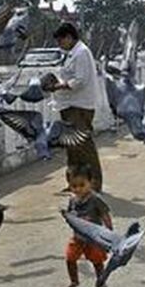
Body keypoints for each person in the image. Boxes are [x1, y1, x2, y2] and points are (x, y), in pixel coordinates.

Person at [48, 22, 104, 191]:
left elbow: (80, 81)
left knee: (84, 147)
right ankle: (75, 183)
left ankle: (94, 184)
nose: (60, 45)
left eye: (61, 41)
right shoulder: (72, 53)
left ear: (69, 37)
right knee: (72, 148)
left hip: (80, 106)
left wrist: (58, 86)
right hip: (69, 105)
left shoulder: (81, 53)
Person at [62, 164, 112, 287]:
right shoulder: (73, 200)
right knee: (70, 258)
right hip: (77, 237)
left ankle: (101, 280)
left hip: (94, 238)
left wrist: (109, 232)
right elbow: (71, 215)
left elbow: (105, 215)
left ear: (91, 182)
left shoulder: (95, 200)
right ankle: (74, 281)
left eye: (82, 185)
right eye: (74, 186)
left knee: (97, 261)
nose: (78, 189)